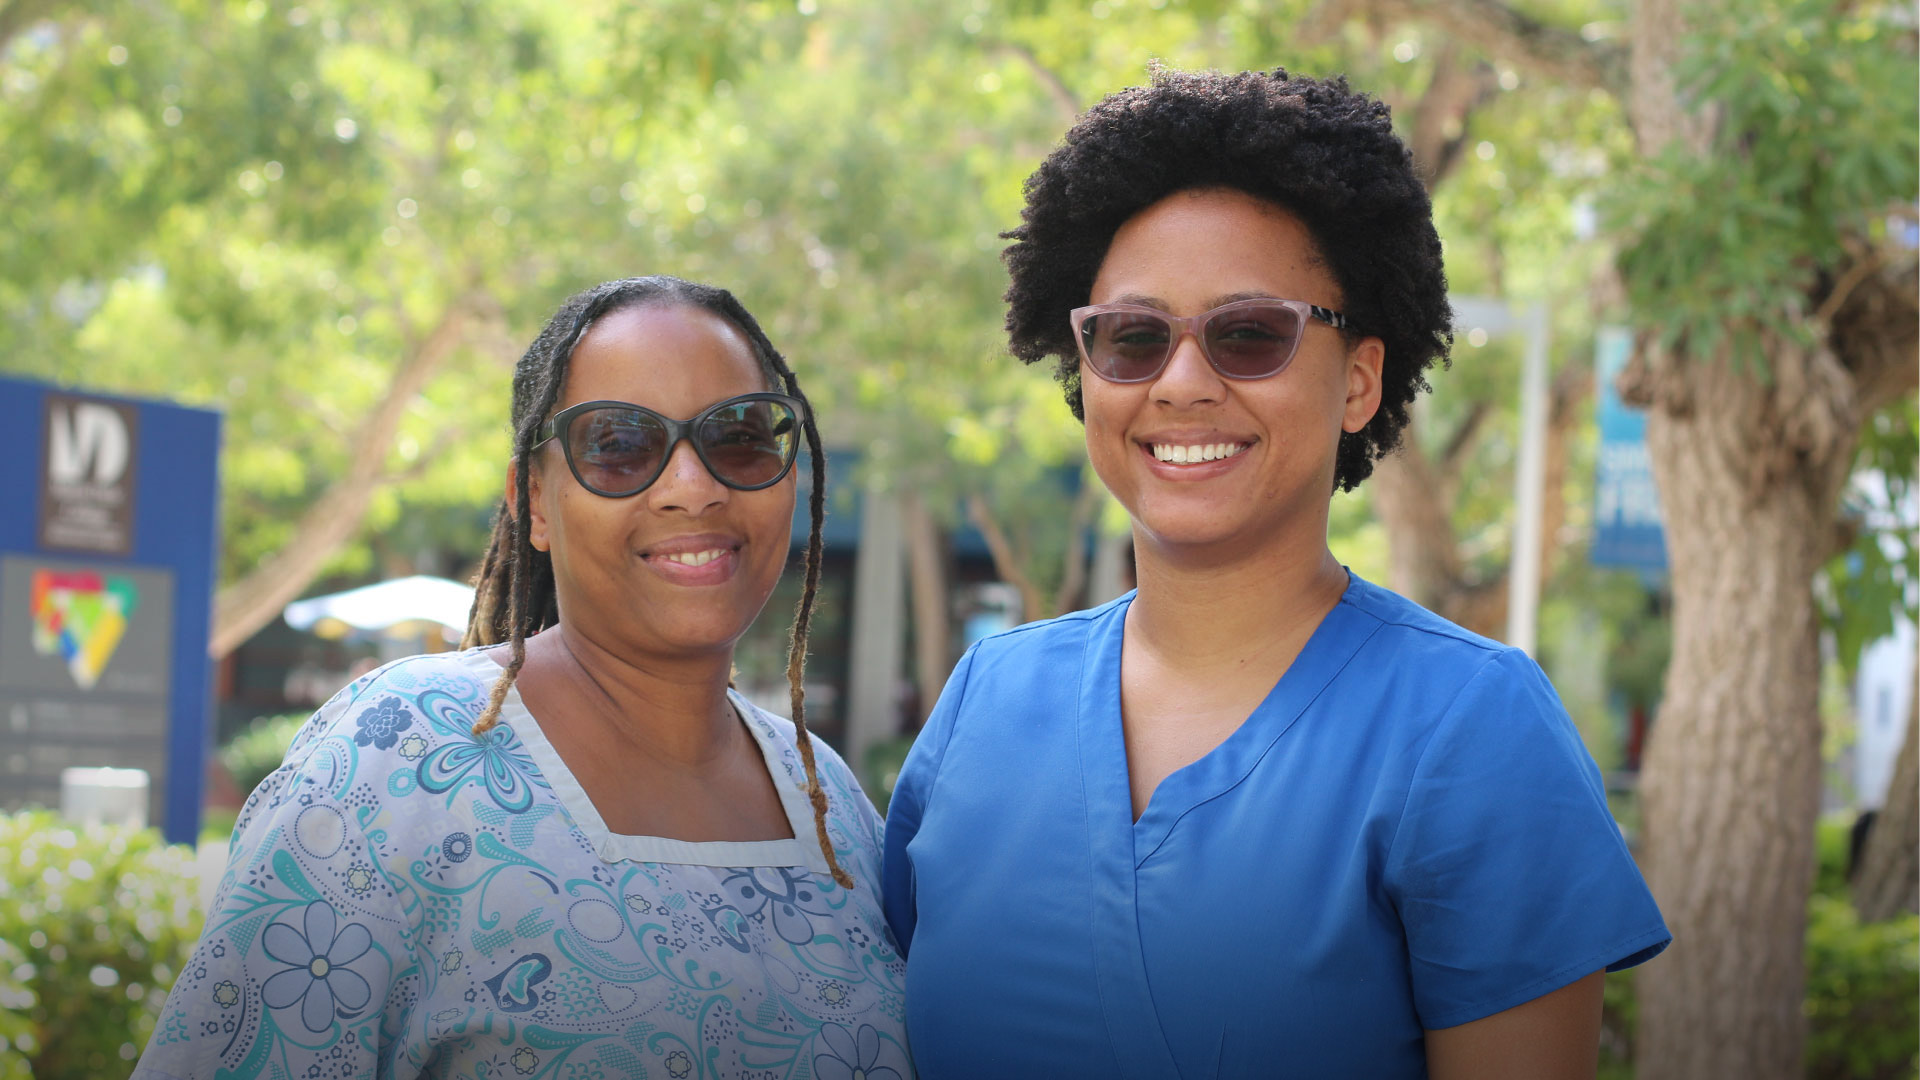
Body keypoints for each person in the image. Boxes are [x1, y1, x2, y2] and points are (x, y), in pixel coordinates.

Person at [882, 69, 1667, 1079]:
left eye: (1250, 334)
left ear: (1361, 381)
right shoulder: (986, 701)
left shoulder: (1472, 728)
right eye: (1133, 337)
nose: (1181, 384)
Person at [138, 277, 911, 1080]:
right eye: (619, 444)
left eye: (740, 436)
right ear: (534, 501)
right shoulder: (395, 757)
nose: (693, 487)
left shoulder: (827, 800)